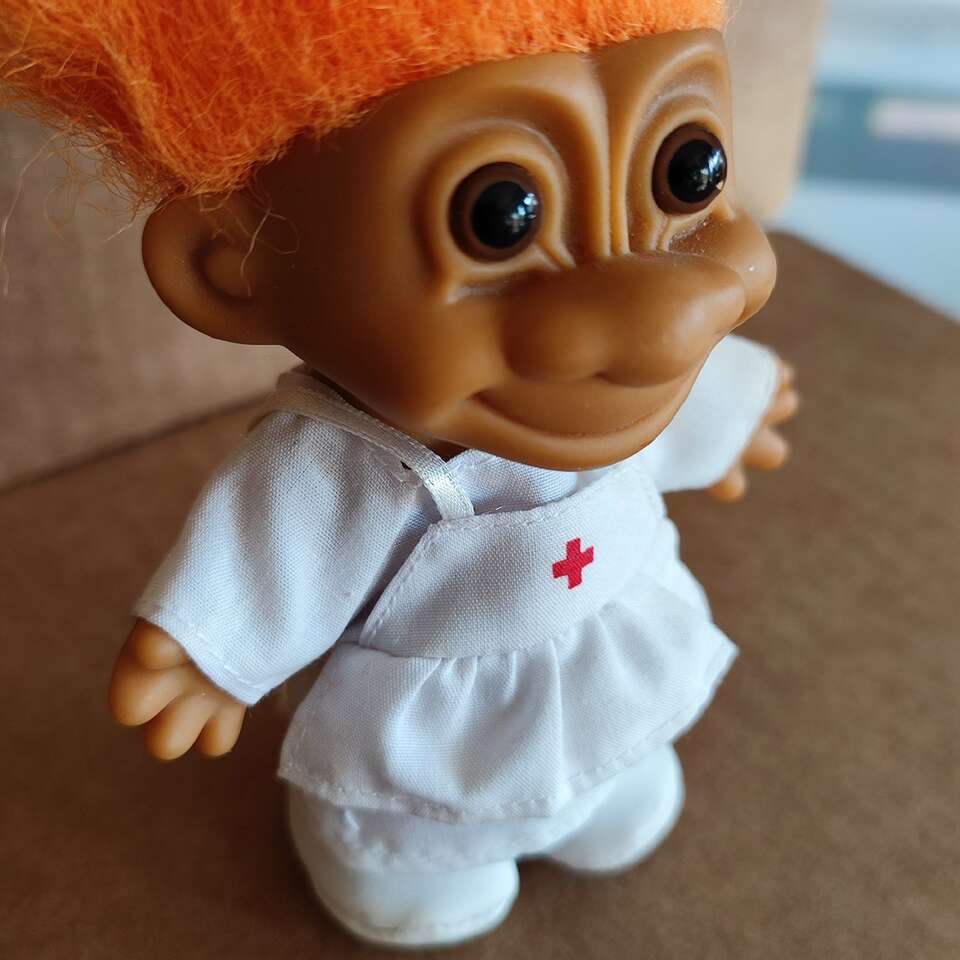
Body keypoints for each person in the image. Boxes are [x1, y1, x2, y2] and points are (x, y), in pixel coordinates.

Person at [1, 1, 797, 948]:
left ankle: (598, 780)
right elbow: (278, 549)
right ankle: (404, 848)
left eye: (686, 169)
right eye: (501, 218)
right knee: (418, 820)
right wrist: (211, 650)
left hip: (600, 646)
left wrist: (730, 417)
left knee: (617, 747)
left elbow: (674, 387)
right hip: (433, 719)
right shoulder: (352, 463)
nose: (662, 322)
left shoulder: (620, 376)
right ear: (233, 268)